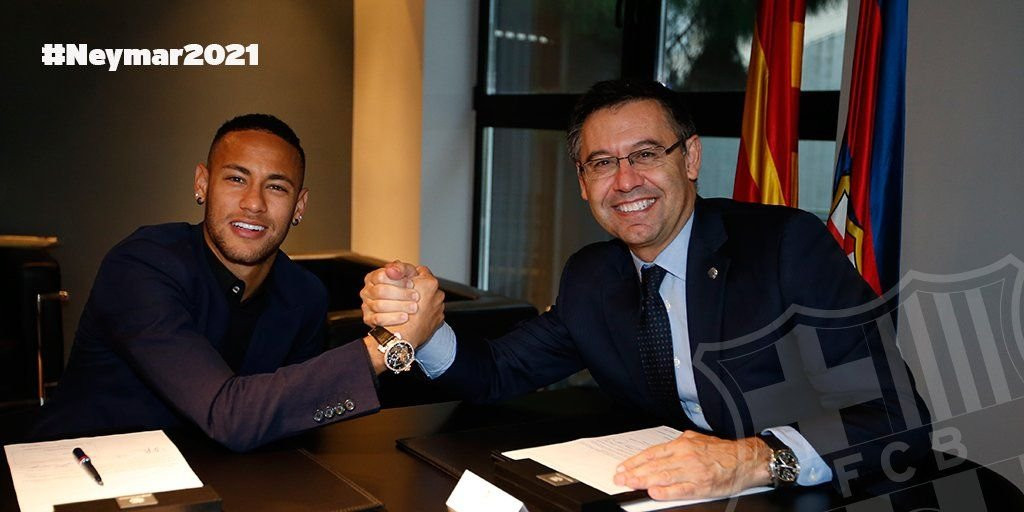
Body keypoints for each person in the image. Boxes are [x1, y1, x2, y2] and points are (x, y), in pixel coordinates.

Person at [361, 80, 931, 499]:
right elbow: (495, 372)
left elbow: (897, 416)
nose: (626, 181)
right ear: (583, 183)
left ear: (692, 158)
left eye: (646, 154)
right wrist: (422, 327)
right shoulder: (593, 275)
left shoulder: (784, 247)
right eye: (602, 163)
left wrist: (749, 461)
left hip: (809, 490)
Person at [33, 114, 442, 451]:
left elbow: (293, 415)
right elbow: (227, 414)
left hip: (226, 478)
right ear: (202, 183)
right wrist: (389, 345)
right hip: (83, 473)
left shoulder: (304, 294)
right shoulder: (141, 266)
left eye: (276, 187)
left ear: (299, 206)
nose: (254, 203)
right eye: (236, 179)